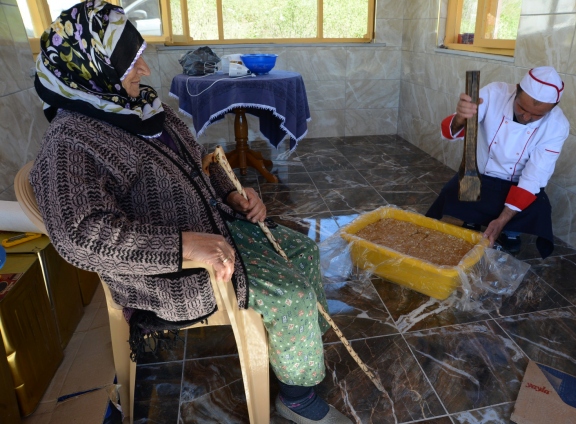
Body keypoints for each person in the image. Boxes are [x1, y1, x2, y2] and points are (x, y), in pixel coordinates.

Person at [29, 1, 351, 422]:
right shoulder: (71, 141)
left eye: (139, 57)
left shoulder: (142, 107)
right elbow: (80, 235)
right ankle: (295, 396)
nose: (144, 70)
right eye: (130, 63)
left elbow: (199, 161)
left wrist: (232, 194)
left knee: (305, 252)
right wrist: (184, 245)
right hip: (175, 269)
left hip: (214, 227)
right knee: (290, 294)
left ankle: (296, 347)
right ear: (92, 67)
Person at [426, 66, 570, 257]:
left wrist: (502, 220)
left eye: (537, 115)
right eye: (521, 108)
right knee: (454, 192)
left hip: (516, 184)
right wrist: (461, 117)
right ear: (516, 90)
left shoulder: (557, 126)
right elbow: (456, 129)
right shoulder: (494, 93)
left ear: (552, 108)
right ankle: (471, 219)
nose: (526, 117)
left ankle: (510, 231)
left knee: (538, 207)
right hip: (480, 175)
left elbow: (534, 177)